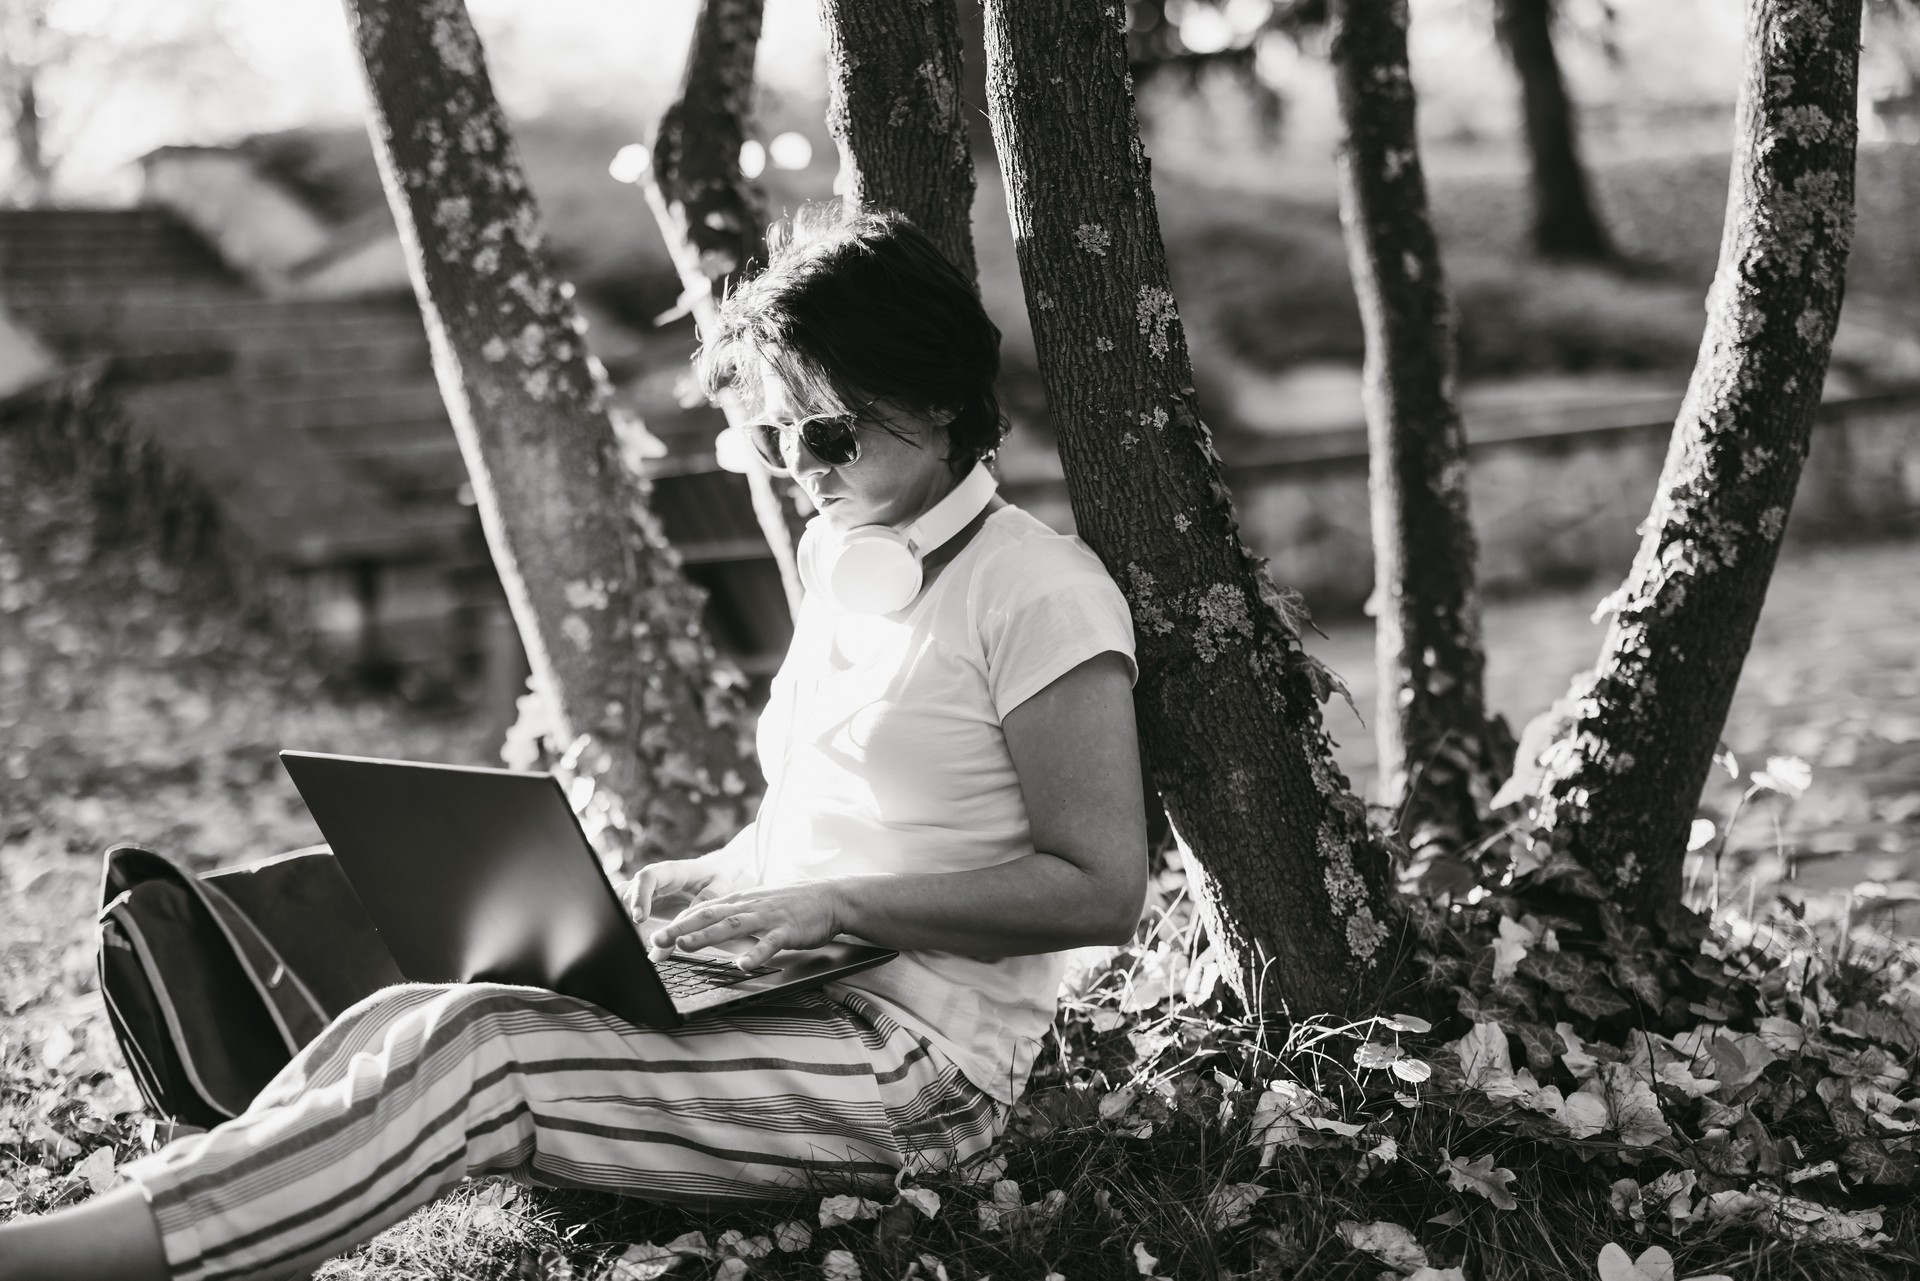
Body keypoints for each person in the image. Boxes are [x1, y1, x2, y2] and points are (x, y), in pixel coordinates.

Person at [0, 208, 1147, 1281]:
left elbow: (1097, 889)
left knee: (486, 1050)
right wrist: (698, 885)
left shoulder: (1036, 595)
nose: (807, 475)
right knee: (414, 1013)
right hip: (779, 995)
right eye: (775, 443)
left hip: (917, 1073)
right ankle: (210, 1220)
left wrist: (844, 907)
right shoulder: (845, 565)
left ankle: (71, 1258)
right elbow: (837, 814)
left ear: (938, 400)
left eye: (834, 434)